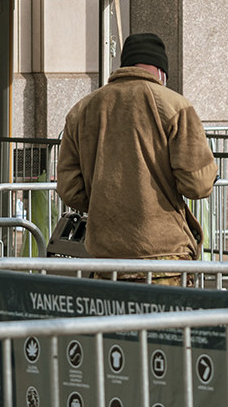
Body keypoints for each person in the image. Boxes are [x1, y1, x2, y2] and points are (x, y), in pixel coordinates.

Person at [57, 34, 216, 266]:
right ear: (161, 71)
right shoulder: (176, 106)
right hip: (163, 252)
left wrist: (106, 202)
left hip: (105, 254)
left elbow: (70, 190)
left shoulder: (81, 110)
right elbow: (197, 185)